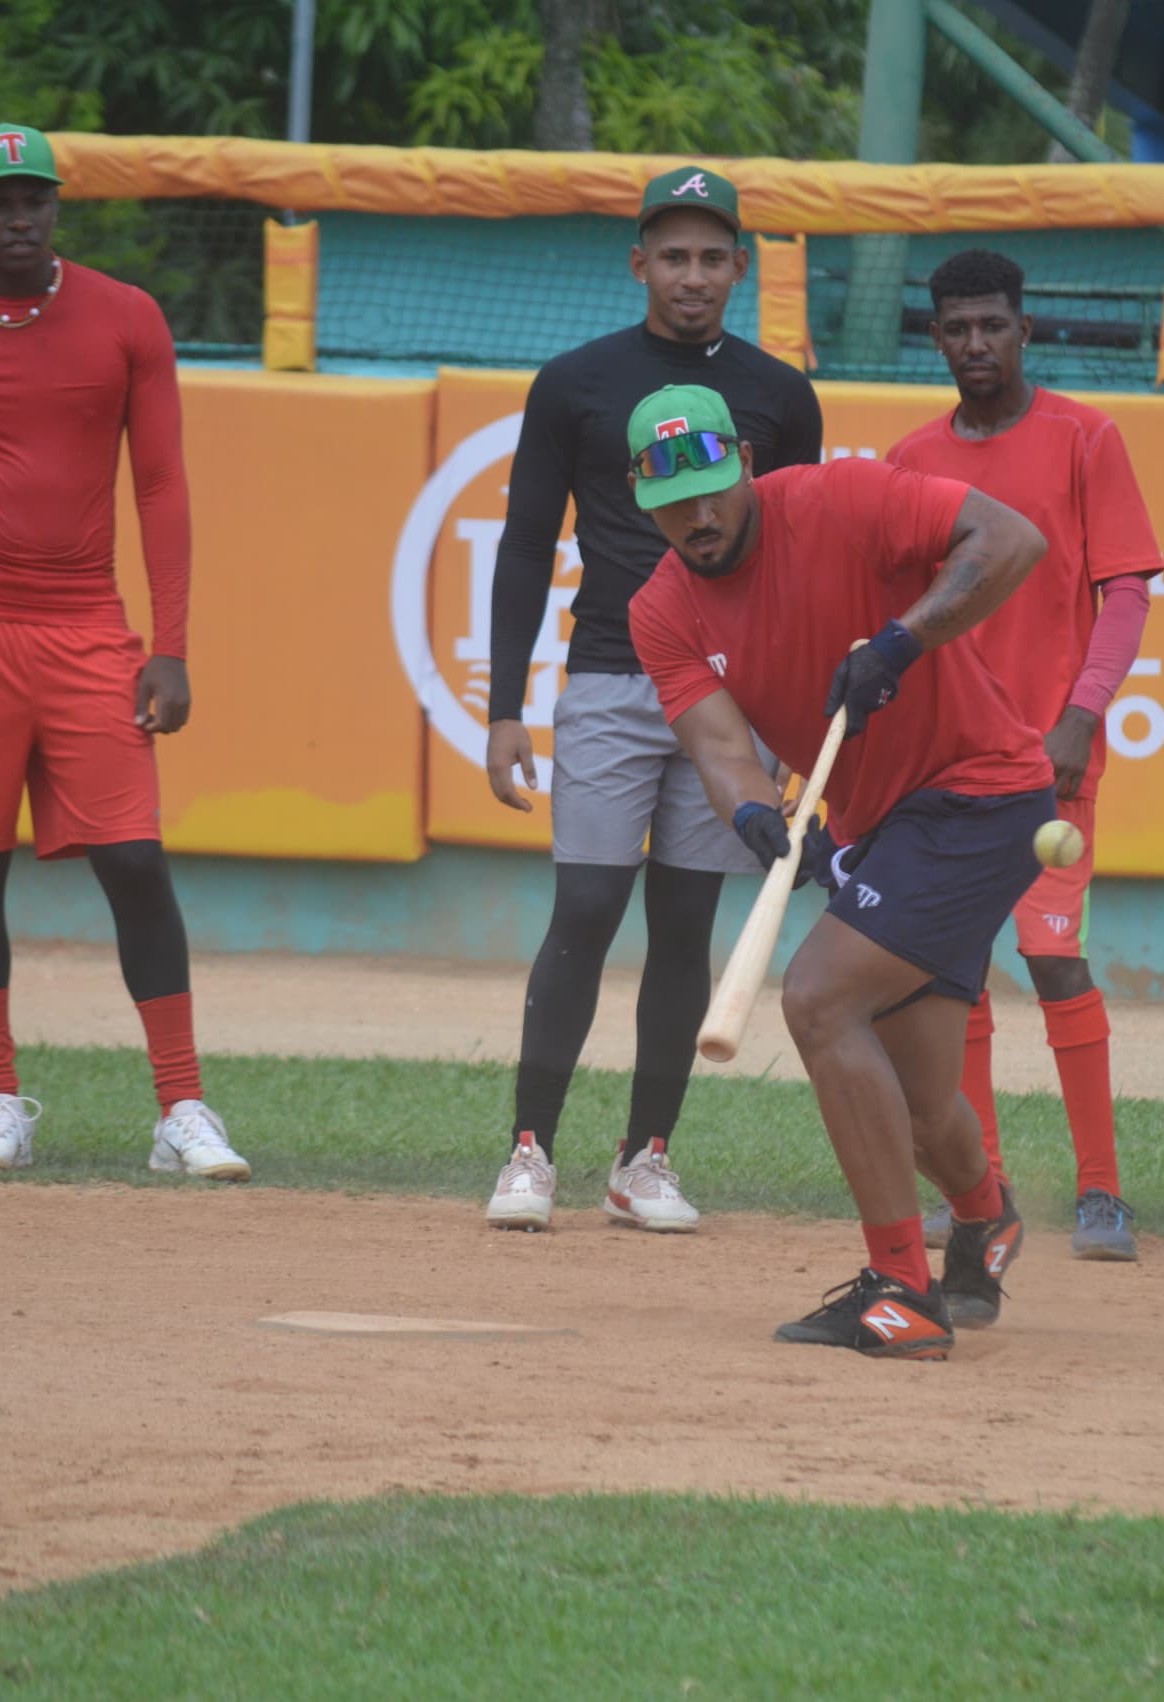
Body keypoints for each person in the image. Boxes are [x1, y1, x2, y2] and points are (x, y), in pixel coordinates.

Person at [626, 382, 1054, 1360]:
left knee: (819, 1001)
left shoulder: (839, 497)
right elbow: (719, 742)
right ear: (637, 497)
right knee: (914, 1098)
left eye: (711, 485)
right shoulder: (661, 610)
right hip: (883, 826)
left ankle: (902, 1289)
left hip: (979, 790)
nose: (698, 513)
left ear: (740, 461)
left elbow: (1011, 539)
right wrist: (756, 814)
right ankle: (984, 1219)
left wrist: (904, 640)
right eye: (673, 496)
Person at [0, 124, 247, 1181]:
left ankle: (182, 1109)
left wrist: (169, 645)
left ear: (57, 208)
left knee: (133, 860)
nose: (20, 217)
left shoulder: (127, 317)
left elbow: (160, 488)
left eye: (37, 199)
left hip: (85, 624)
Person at [483, 166, 823, 1234]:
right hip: (612, 679)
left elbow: (797, 567)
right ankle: (529, 1152)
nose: (691, 276)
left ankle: (643, 1162)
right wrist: (503, 708)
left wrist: (793, 726)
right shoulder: (575, 382)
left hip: (730, 700)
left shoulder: (782, 394)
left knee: (685, 923)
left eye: (711, 256)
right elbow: (526, 547)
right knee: (584, 908)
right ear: (638, 264)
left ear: (739, 266)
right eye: (670, 255)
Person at [888, 248, 1163, 1263]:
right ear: (936, 337)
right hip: (946, 767)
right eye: (957, 328)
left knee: (1053, 960)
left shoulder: (1086, 438)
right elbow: (903, 614)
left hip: (1050, 759)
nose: (975, 344)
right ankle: (987, 1192)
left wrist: (1082, 716)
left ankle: (1101, 1193)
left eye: (992, 325)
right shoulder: (912, 459)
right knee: (949, 976)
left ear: (1025, 329)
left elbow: (1125, 589)